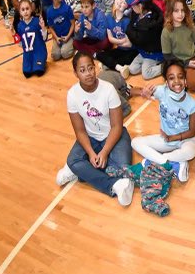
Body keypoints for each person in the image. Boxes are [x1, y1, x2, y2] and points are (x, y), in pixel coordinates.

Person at [55, 51, 135, 207]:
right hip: (90, 138)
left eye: (90, 68)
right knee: (74, 161)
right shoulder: (72, 94)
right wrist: (91, 153)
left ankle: (82, 172)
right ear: (75, 73)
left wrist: (104, 152)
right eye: (82, 70)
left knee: (121, 168)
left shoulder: (108, 89)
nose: (88, 74)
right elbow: (80, 131)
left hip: (114, 136)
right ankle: (113, 186)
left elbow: (117, 126)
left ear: (95, 68)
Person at [130, 59, 195, 183]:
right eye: (171, 78)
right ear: (166, 82)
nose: (176, 81)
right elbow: (134, 91)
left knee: (191, 151)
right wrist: (144, 92)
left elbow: (192, 132)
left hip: (185, 140)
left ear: (186, 81)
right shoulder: (162, 91)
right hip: (166, 140)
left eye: (180, 77)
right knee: (135, 142)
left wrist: (174, 138)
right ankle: (175, 164)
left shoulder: (192, 104)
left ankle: (153, 161)